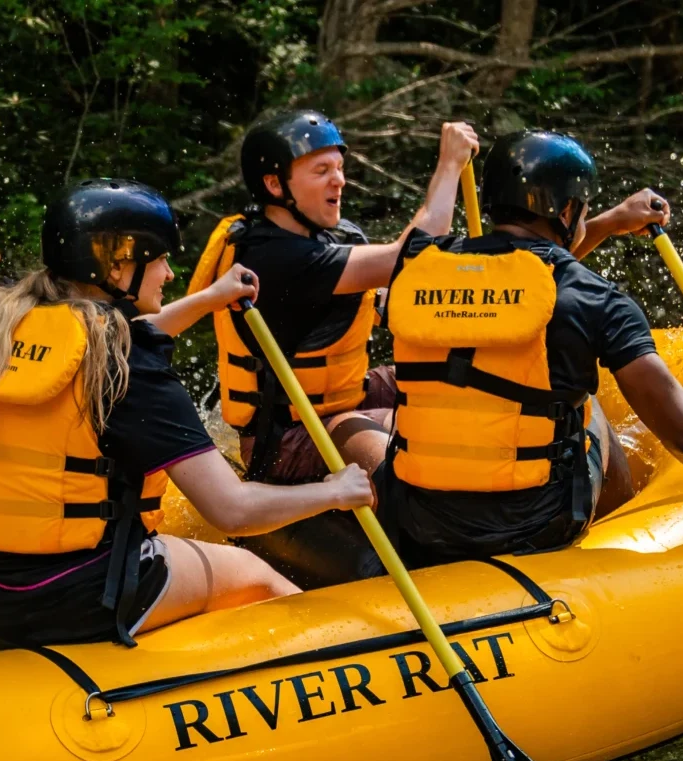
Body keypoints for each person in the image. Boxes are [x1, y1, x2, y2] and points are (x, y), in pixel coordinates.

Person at [0, 180, 374, 648]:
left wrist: (209, 299)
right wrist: (333, 491)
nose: (170, 273)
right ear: (117, 269)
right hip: (74, 596)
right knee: (254, 573)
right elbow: (232, 511)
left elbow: (113, 335)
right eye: (159, 259)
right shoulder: (126, 367)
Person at [376, 129, 683, 568]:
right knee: (584, 404)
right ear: (566, 210)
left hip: (416, 519)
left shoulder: (418, 270)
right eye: (583, 207)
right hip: (526, 527)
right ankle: (620, 524)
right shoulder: (595, 298)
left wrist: (612, 221)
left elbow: (524, 287)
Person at [184, 112, 478, 585]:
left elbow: (399, 291)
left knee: (454, 381)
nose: (339, 179)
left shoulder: (324, 238)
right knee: (416, 435)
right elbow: (412, 257)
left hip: (340, 397)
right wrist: (447, 168)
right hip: (288, 437)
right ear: (275, 186)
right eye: (320, 171)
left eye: (339, 167)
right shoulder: (271, 256)